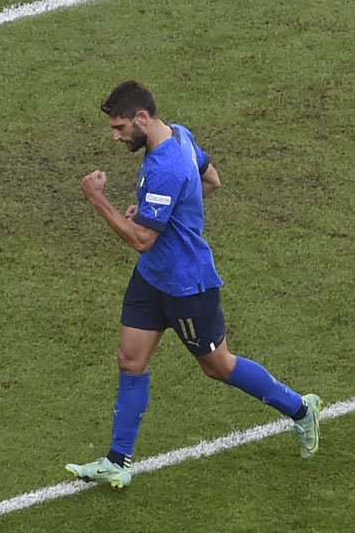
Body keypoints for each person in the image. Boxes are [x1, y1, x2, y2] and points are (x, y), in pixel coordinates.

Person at [65, 79, 320, 488]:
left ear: (142, 118)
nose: (116, 137)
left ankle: (301, 409)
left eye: (119, 128)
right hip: (153, 281)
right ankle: (117, 460)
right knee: (131, 361)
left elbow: (143, 240)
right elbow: (211, 180)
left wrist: (98, 199)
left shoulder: (164, 165)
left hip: (187, 286)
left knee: (219, 367)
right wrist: (154, 212)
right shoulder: (179, 134)